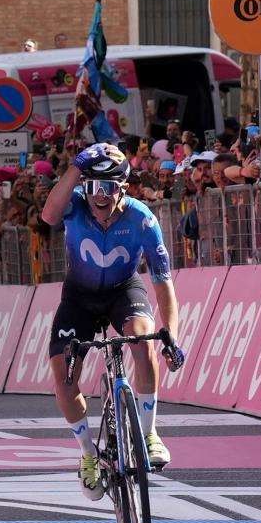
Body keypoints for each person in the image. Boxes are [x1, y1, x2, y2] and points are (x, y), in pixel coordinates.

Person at [40, 143, 185, 500]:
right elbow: (47, 215)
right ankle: (89, 455)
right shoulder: (74, 206)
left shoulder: (142, 219)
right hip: (79, 297)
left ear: (123, 187)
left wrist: (171, 337)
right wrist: (76, 167)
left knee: (142, 340)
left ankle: (149, 434)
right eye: (91, 187)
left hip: (124, 290)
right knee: (63, 376)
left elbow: (163, 285)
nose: (98, 196)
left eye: (107, 187)